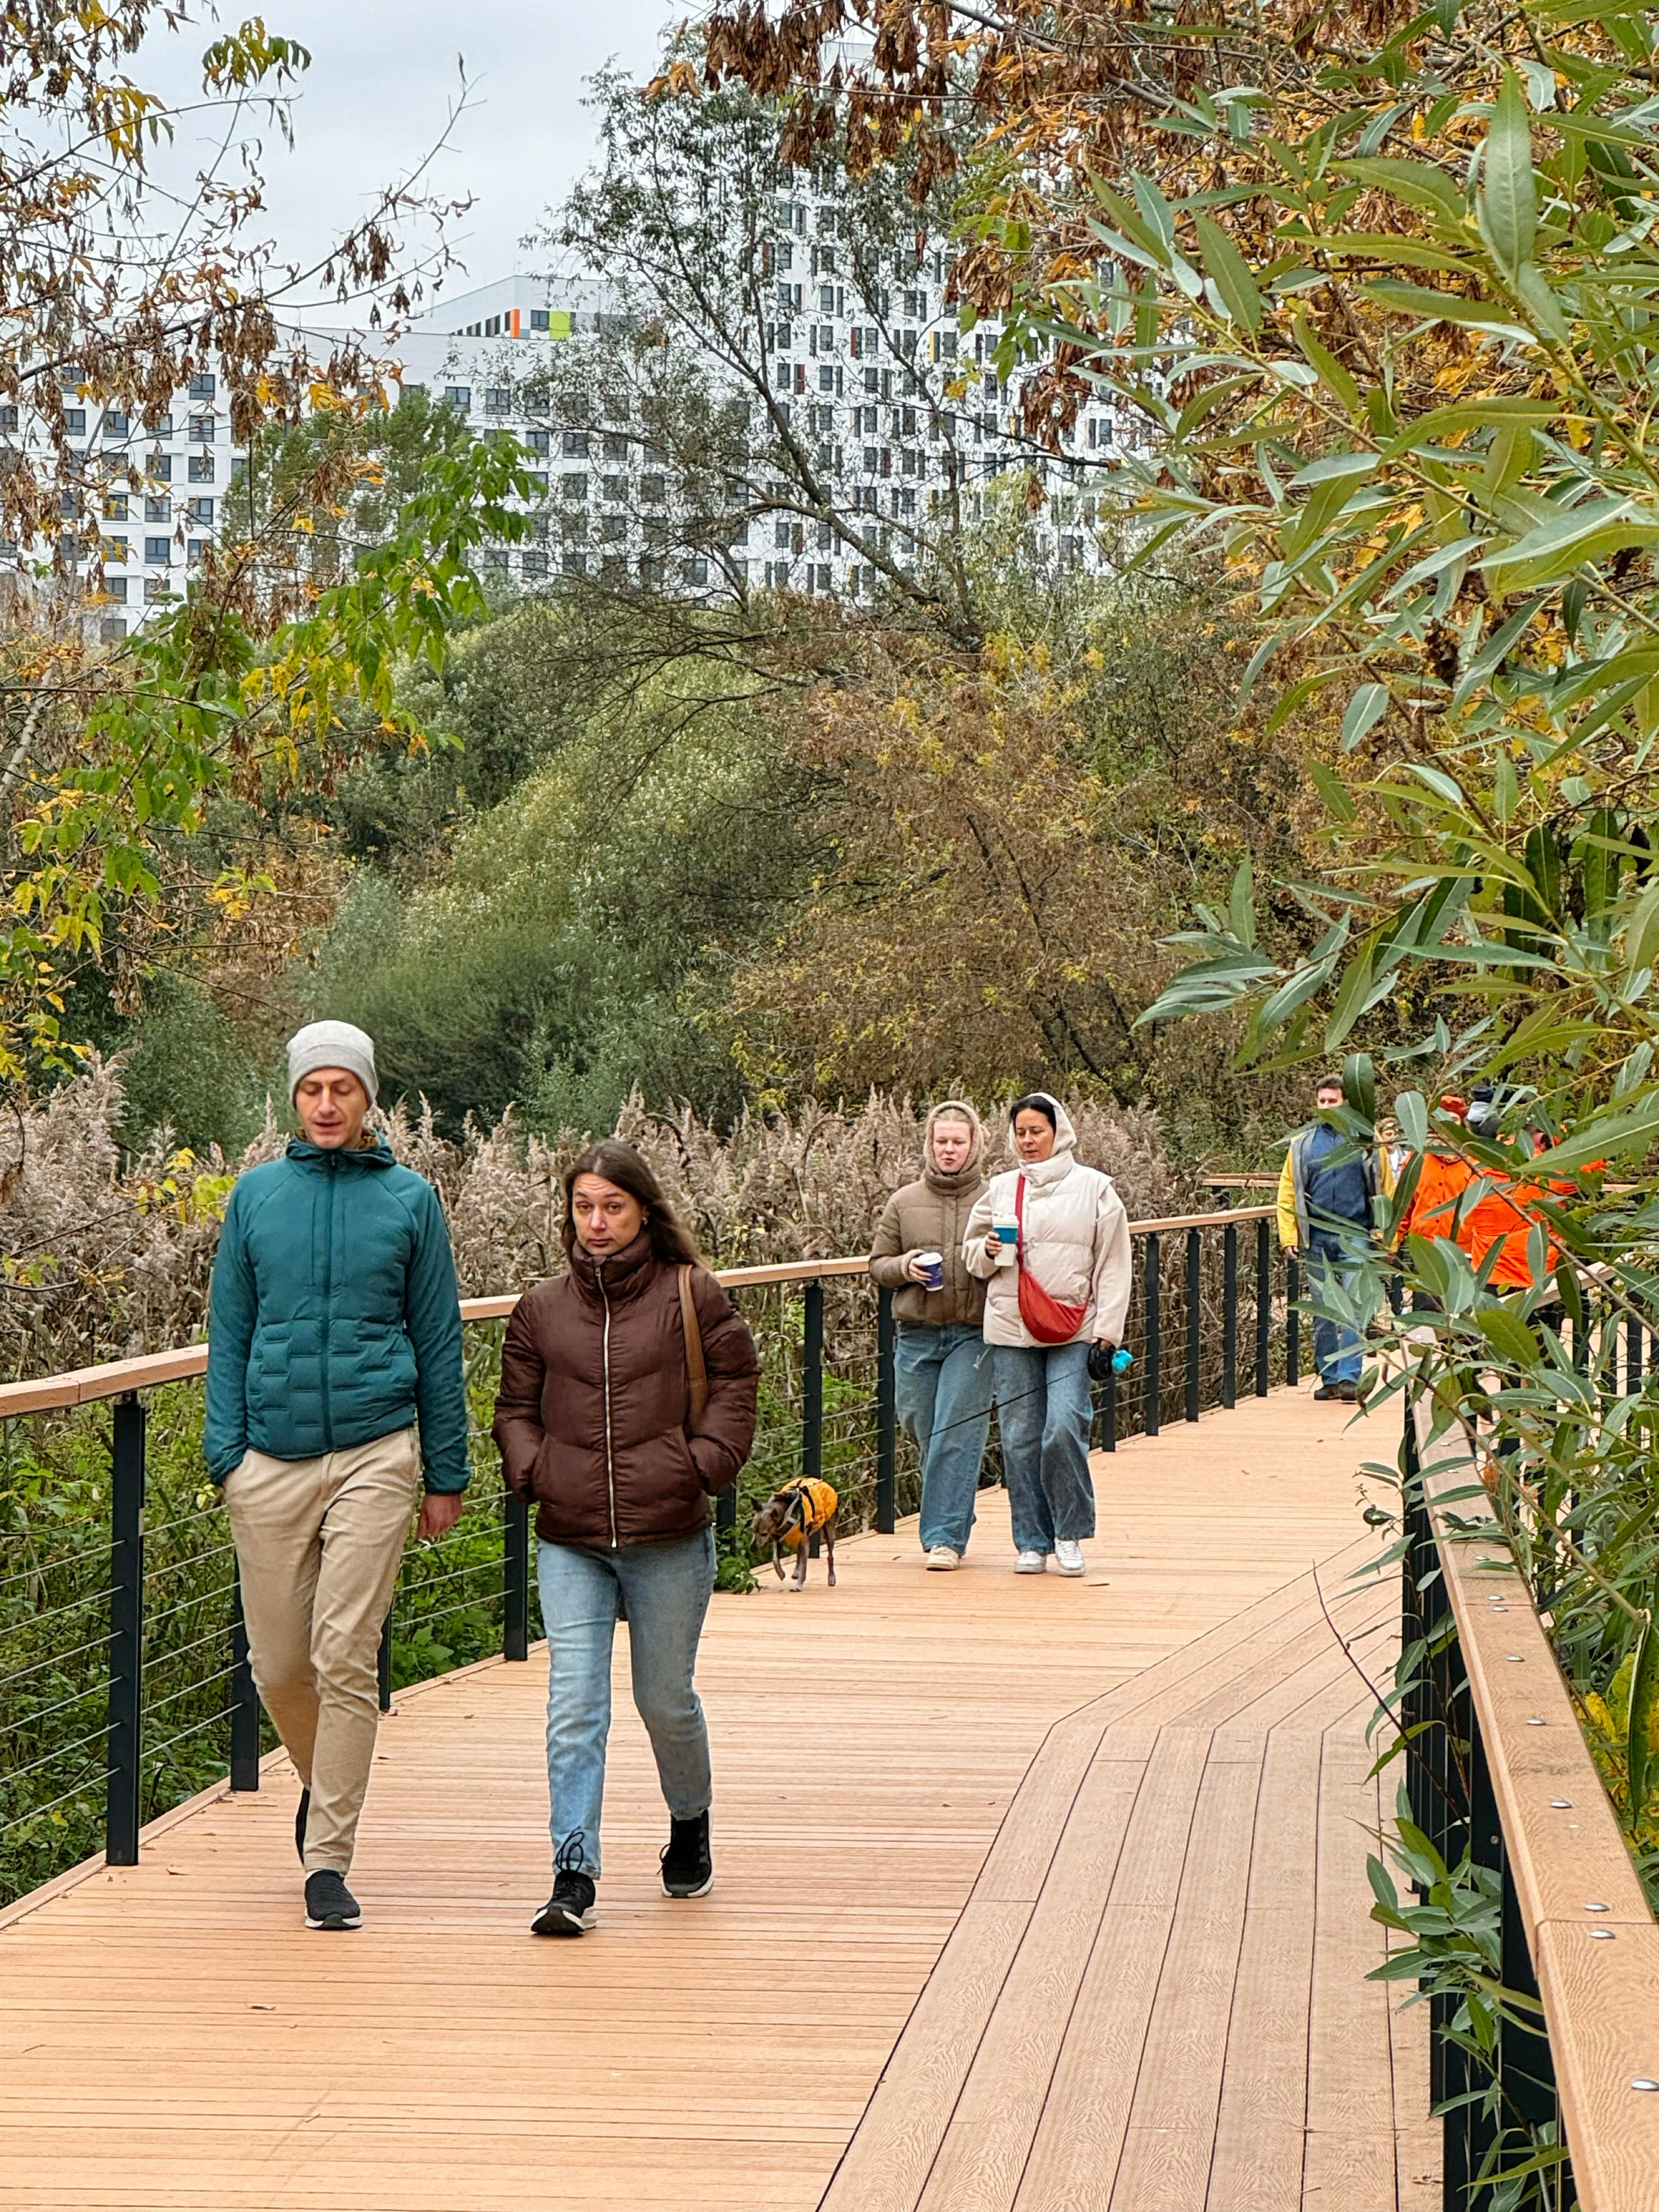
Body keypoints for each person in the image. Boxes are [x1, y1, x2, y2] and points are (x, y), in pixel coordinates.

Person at [205, 1020, 470, 1933]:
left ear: (368, 1100)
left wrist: (446, 1470)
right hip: (268, 1458)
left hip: (375, 1450)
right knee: (279, 1664)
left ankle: (329, 1860)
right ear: (294, 1098)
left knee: (344, 1655)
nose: (327, 1104)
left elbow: (439, 1339)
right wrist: (227, 1457)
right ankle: (326, 1789)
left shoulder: (411, 1201)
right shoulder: (254, 1198)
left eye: (343, 1089)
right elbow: (229, 1331)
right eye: (313, 1089)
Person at [493, 1140, 758, 1939]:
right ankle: (573, 1870)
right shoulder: (541, 1308)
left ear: (643, 1208)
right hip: (571, 1534)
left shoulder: (693, 1293)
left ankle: (689, 1818)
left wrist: (700, 1465)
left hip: (669, 1531)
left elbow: (738, 1384)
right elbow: (513, 1409)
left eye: (612, 1205)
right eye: (583, 1206)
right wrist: (535, 1470)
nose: (597, 1222)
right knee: (574, 1702)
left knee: (663, 1700)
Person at [964, 1093, 1131, 1577]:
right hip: (1011, 1328)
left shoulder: (1098, 1190)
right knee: (1019, 1435)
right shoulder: (999, 1188)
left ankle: (1070, 1533)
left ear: (1060, 1131)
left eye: (1037, 1130)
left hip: (1074, 1329)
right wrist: (988, 1249)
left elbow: (1115, 1265)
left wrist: (1108, 1334)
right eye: (1020, 1132)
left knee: (1063, 1427)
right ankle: (1031, 1540)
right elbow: (971, 1255)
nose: (1028, 1140)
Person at [868, 1100, 994, 1570]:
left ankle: (945, 1537)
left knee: (955, 1430)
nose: (949, 1149)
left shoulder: (995, 1197)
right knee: (921, 1424)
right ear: (929, 1144)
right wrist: (906, 1268)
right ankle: (956, 1507)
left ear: (974, 1144)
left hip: (975, 1335)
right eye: (941, 1141)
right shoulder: (903, 1201)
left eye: (958, 1141)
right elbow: (878, 1264)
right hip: (917, 1334)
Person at [1277, 1073, 1380, 1403]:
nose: (1325, 1107)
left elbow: (1384, 1186)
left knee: (1352, 1306)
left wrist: (1384, 1230)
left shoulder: (1366, 1139)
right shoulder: (1303, 1143)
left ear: (1345, 1103)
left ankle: (1350, 1375)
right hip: (1317, 1234)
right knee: (1322, 1311)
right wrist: (1288, 1235)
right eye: (1321, 1101)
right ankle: (1329, 1376)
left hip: (1356, 1234)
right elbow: (1287, 1192)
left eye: (1332, 1101)